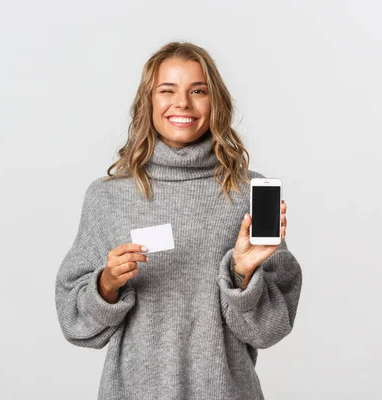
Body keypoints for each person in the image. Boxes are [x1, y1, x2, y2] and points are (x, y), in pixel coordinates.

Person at [55, 41, 303, 400]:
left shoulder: (249, 193)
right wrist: (106, 285)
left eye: (197, 91)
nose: (182, 103)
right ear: (148, 103)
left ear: (215, 101)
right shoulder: (109, 197)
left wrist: (242, 274)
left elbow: (269, 329)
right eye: (167, 90)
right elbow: (75, 324)